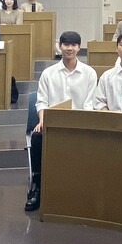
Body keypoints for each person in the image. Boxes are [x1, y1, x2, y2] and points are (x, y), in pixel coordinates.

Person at [28, 31, 98, 211]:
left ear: (79, 47)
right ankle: (37, 185)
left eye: (74, 45)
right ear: (60, 47)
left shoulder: (89, 73)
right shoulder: (48, 73)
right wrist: (42, 120)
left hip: (79, 124)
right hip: (52, 123)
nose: (70, 48)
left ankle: (84, 189)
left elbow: (89, 104)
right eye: (66, 45)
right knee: (36, 138)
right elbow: (42, 101)